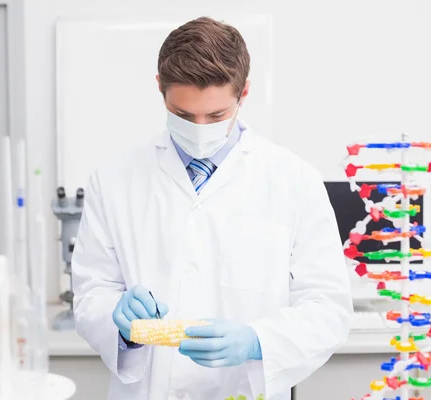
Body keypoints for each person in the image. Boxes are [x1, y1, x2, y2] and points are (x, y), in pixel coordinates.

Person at [72, 16, 353, 400]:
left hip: (244, 389)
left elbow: (328, 307)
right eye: (183, 116)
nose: (199, 128)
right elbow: (92, 292)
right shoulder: (114, 178)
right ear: (160, 89)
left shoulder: (293, 180)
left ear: (244, 94)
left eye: (217, 116)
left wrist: (258, 340)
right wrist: (119, 323)